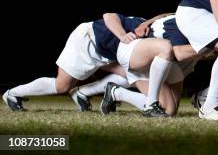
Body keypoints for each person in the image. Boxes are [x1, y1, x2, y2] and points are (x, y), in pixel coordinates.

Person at [2, 13, 143, 111]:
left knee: (132, 74)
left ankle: (82, 93)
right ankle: (12, 94)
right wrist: (122, 35)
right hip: (88, 42)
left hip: (106, 51)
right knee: (61, 86)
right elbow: (109, 16)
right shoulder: (154, 27)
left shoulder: (159, 30)